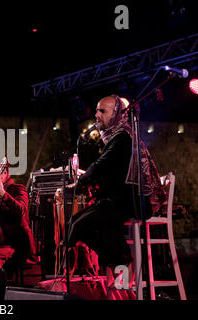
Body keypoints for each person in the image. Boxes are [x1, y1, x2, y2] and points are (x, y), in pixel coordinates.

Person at [66, 95, 166, 290]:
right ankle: (120, 263)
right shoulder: (115, 136)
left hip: (131, 202)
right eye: (96, 110)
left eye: (102, 111)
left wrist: (81, 180)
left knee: (78, 227)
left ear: (116, 114)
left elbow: (102, 164)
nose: (96, 115)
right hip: (116, 200)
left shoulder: (122, 137)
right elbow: (108, 168)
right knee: (75, 225)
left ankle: (120, 261)